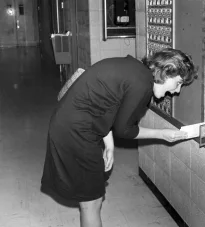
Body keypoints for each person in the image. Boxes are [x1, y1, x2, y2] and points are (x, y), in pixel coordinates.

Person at [41, 48, 197, 227]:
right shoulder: (142, 84)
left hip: (70, 125)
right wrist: (161, 134)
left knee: (91, 197)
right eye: (178, 83)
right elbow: (124, 130)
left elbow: (105, 104)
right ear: (167, 72)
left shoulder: (134, 70)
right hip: (75, 132)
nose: (177, 91)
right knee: (91, 201)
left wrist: (109, 146)